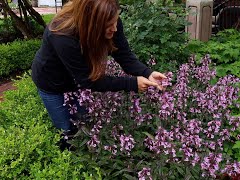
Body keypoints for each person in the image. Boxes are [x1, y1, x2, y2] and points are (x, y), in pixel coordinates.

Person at [31, 0, 166, 136]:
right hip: (52, 83)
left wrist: (147, 73)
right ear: (92, 23)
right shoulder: (62, 35)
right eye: (109, 25)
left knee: (85, 120)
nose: (115, 28)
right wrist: (132, 83)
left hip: (78, 80)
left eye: (115, 21)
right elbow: (89, 80)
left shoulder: (110, 20)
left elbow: (123, 55)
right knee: (66, 129)